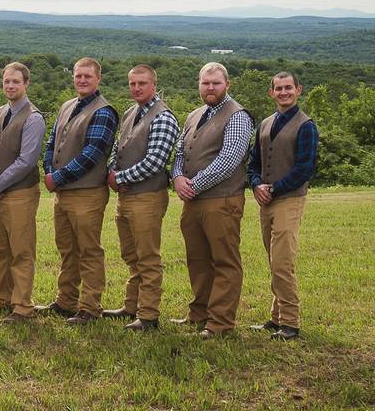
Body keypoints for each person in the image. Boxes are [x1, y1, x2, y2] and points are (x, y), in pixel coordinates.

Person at [171, 62, 254, 339]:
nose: (210, 88)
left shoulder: (238, 116)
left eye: (216, 83)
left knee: (224, 262)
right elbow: (181, 152)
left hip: (222, 200)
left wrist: (193, 185)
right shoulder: (195, 115)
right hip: (192, 202)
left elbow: (229, 160)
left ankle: (220, 323)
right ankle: (200, 314)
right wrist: (177, 177)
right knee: (197, 259)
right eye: (205, 83)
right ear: (199, 84)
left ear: (227, 85)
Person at [39, 57, 119, 325]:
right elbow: (52, 142)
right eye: (78, 76)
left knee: (88, 250)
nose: (82, 80)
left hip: (87, 193)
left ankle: (90, 307)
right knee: (67, 249)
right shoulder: (67, 106)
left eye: (87, 76)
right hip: (63, 191)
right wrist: (49, 171)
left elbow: (93, 153)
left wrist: (57, 177)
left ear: (98, 78)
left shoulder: (103, 111)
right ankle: (66, 300)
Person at [105, 65, 180, 332]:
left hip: (147, 197)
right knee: (130, 255)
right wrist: (112, 171)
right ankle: (131, 306)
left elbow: (155, 162)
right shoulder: (130, 112)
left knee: (147, 257)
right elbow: (117, 148)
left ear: (154, 85)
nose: (136, 88)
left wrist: (120, 178)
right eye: (133, 83)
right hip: (126, 197)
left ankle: (148, 315)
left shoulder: (164, 117)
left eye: (142, 83)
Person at [247, 72, 318, 341]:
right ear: (271, 92)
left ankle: (290, 322)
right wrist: (255, 184)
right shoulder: (265, 124)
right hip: (265, 200)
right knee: (272, 259)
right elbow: (253, 162)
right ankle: (276, 318)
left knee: (283, 262)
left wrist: (274, 188)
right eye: (279, 88)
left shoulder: (306, 125)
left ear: (299, 90)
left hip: (289, 199)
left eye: (289, 88)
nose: (284, 92)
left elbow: (305, 168)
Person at [0, 62, 45, 324]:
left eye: (16, 82)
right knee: (1, 248)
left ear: (26, 84)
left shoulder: (33, 117)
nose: (10, 86)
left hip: (20, 193)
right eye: (7, 81)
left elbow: (26, 161)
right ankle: (2, 298)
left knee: (21, 250)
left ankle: (22, 306)